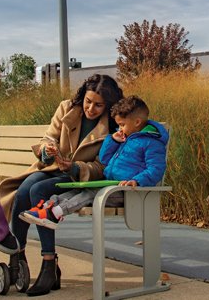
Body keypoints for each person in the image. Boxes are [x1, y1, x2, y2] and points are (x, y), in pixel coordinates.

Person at [0, 74, 123, 296]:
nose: (90, 108)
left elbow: (102, 167)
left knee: (36, 189)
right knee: (24, 189)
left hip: (79, 179)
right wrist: (47, 151)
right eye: (88, 101)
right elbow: (49, 137)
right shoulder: (66, 108)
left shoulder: (113, 127)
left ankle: (48, 263)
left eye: (98, 105)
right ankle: (18, 254)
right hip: (52, 169)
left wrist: (74, 167)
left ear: (108, 106)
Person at [18, 95, 168, 229]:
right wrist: (112, 140)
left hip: (127, 192)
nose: (120, 129)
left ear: (137, 122)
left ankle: (56, 213)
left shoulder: (152, 143)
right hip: (109, 184)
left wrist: (137, 181)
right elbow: (104, 159)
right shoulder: (127, 138)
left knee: (90, 193)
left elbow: (156, 168)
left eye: (122, 124)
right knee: (78, 191)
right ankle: (47, 207)